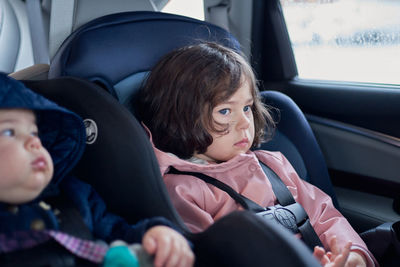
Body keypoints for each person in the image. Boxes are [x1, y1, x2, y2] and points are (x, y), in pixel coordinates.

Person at [138, 42, 378, 267]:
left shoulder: (272, 163)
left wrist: (352, 255)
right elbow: (209, 258)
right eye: (224, 111)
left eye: (246, 107)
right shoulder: (182, 189)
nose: (245, 122)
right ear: (181, 118)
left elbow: (323, 212)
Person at [0, 73, 194, 267]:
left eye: (35, 132)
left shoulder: (75, 196)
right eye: (9, 132)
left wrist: (157, 235)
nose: (35, 142)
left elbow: (121, 233)